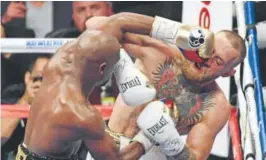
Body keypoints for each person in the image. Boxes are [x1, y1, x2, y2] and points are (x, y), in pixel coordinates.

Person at [86, 13, 246, 160]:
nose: (206, 58)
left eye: (218, 61)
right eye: (209, 49)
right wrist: (174, 30)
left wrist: (172, 143)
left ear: (228, 72)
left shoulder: (215, 106)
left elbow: (195, 156)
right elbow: (94, 24)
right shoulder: (162, 53)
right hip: (108, 145)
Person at [15, 29, 124, 160]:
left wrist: (155, 28)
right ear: (102, 69)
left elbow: (97, 26)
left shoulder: (55, 64)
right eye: (114, 67)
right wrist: (144, 140)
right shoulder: (83, 115)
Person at [1, 55, 50, 160]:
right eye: (38, 77)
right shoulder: (11, 96)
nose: (41, 84)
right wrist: (25, 101)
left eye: (48, 79)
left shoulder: (61, 102)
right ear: (28, 77)